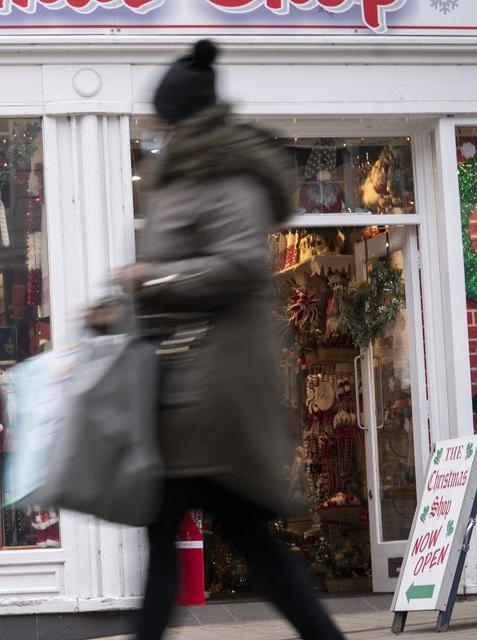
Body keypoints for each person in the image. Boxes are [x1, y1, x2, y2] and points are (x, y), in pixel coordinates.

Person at [112, 40, 345, 640]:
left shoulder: (222, 178)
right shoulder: (188, 174)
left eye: (160, 115)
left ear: (180, 117)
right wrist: (121, 305)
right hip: (189, 391)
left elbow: (240, 265)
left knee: (200, 537)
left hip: (213, 394)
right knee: (205, 537)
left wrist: (152, 279)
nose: (154, 125)